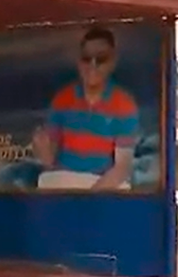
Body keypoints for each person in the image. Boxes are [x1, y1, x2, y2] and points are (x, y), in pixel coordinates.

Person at [32, 26, 141, 191]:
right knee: (44, 180)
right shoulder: (62, 99)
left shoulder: (124, 104)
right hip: (66, 181)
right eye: (86, 58)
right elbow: (50, 162)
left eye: (101, 59)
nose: (92, 65)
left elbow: (122, 168)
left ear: (112, 62)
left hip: (103, 184)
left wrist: (90, 198)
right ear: (79, 61)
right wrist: (42, 150)